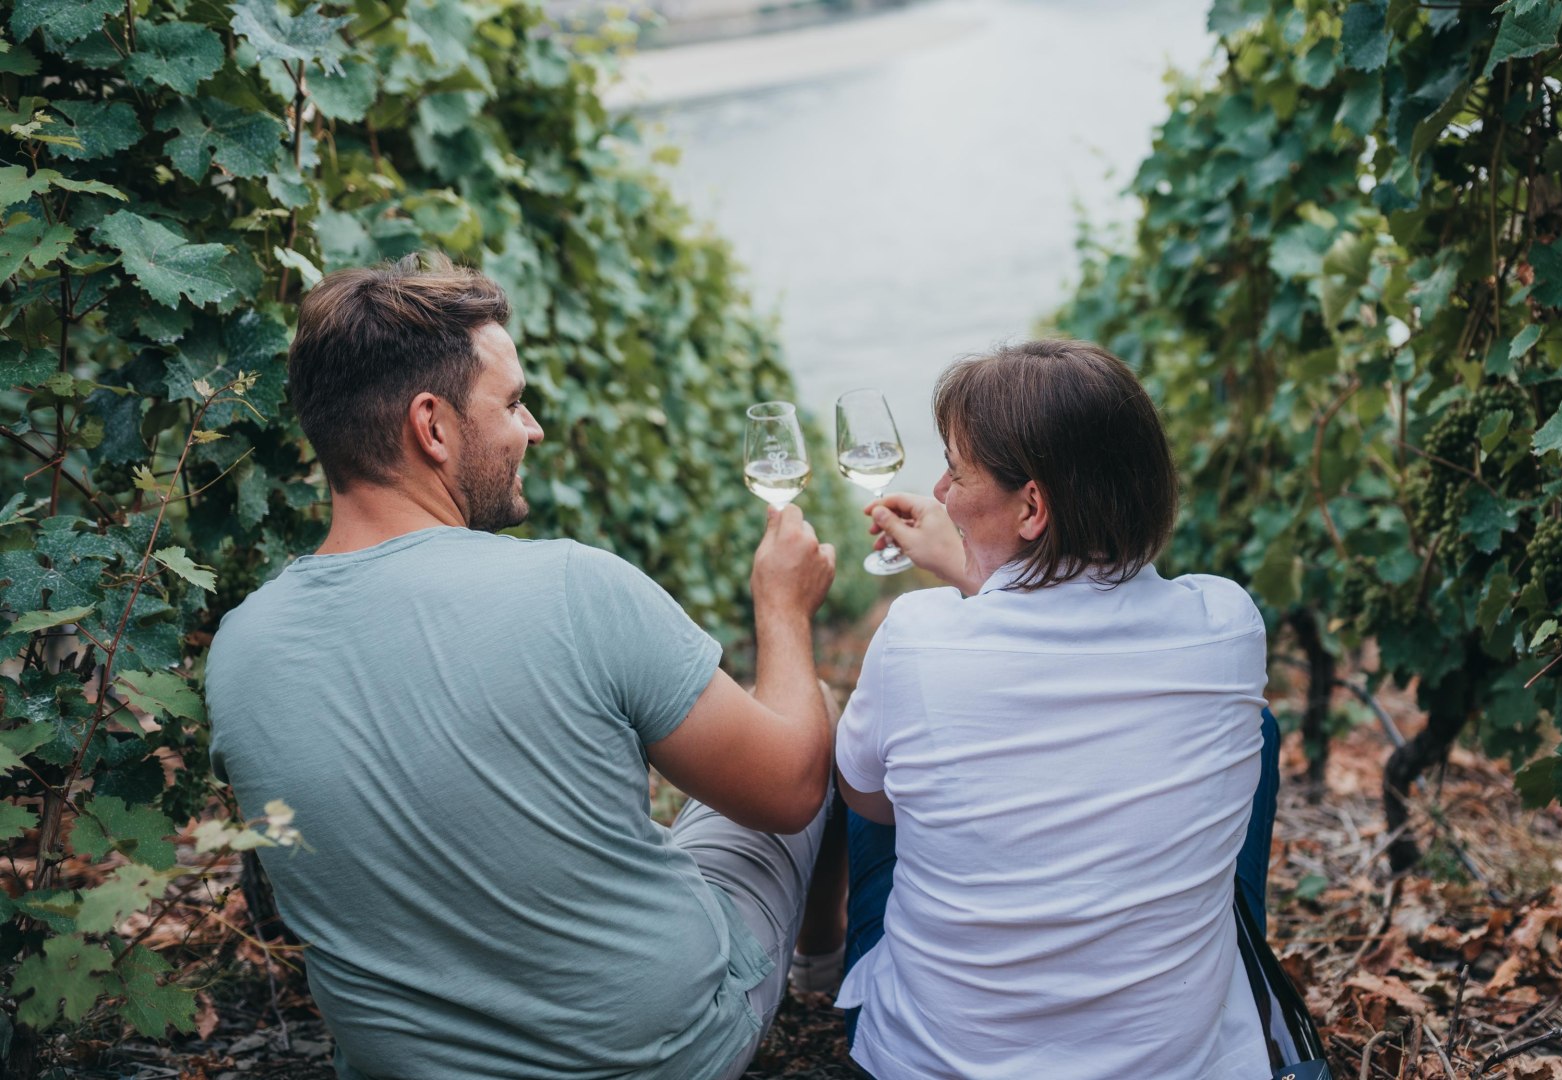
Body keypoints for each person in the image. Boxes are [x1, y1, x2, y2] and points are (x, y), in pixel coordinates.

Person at [205, 253, 842, 1080]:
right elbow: (787, 791)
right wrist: (783, 611)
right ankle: (822, 977)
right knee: (810, 714)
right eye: (511, 403)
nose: (532, 428)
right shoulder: (575, 586)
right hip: (662, 1056)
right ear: (431, 427)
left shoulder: (240, 648)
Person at [833, 340, 1277, 1080]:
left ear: (1032, 506)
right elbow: (1078, 639)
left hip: (932, 1064)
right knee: (1252, 729)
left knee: (871, 762)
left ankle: (821, 974)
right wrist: (979, 562)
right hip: (1176, 1065)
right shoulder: (1229, 623)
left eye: (957, 470)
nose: (940, 492)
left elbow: (867, 806)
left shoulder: (914, 639)